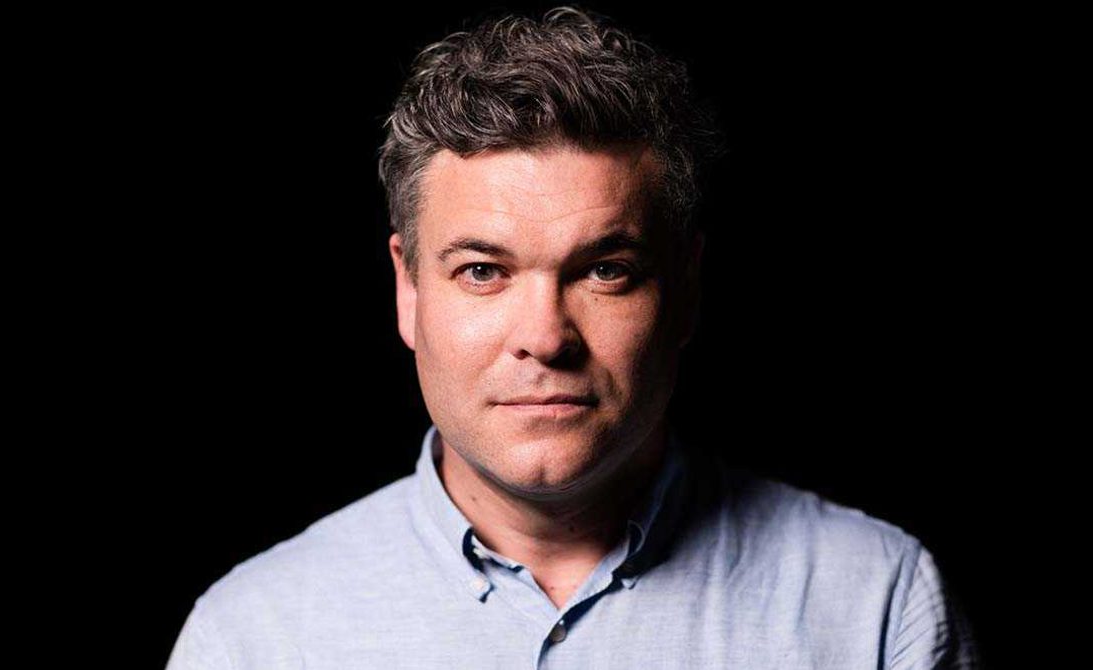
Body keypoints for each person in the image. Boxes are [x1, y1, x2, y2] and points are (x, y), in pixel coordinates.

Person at [166, 5, 979, 668]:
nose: (545, 339)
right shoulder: (253, 637)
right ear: (407, 290)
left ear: (686, 290)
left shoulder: (875, 603)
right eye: (483, 271)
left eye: (605, 271)